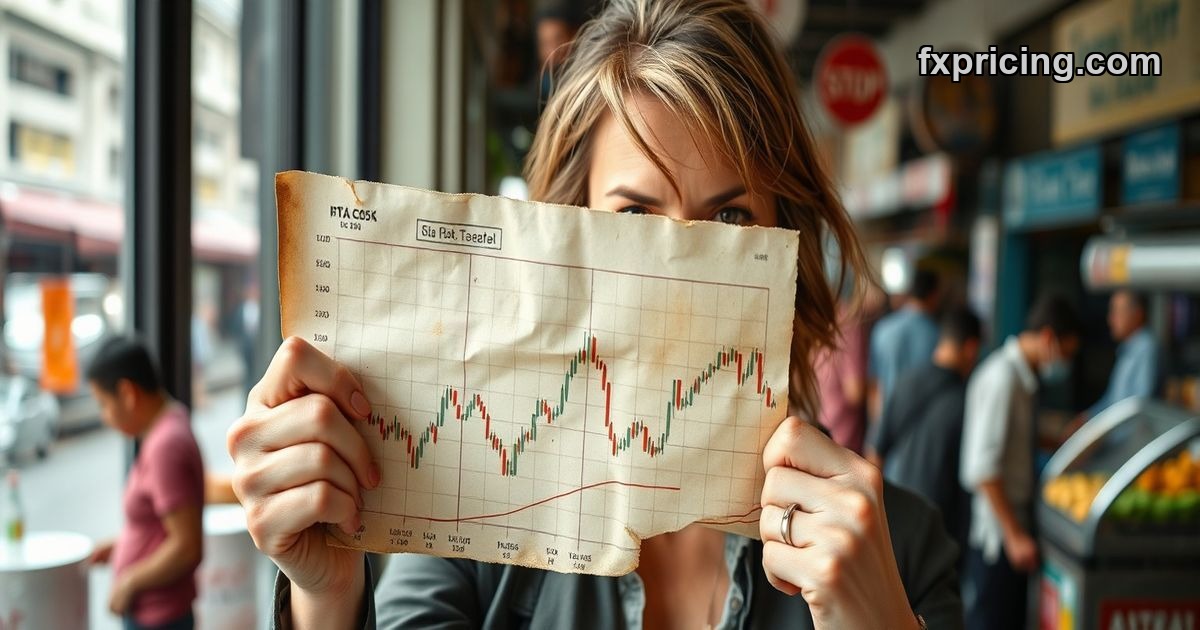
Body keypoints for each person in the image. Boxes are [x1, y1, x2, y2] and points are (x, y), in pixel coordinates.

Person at [228, 1, 963, 628]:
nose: (677, 280)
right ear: (566, 245)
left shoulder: (899, 548)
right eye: (635, 217)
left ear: (788, 249)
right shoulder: (469, 517)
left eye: (732, 218)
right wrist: (325, 598)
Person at [959, 294, 1081, 630]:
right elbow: (983, 469)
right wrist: (1014, 535)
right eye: (1066, 352)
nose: (1064, 363)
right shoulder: (1003, 379)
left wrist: (1058, 438)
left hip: (1010, 527)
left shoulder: (1021, 378)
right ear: (1047, 338)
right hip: (998, 538)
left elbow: (1014, 439)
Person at [86, 337, 204, 630]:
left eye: (103, 403)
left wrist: (129, 582)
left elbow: (187, 546)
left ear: (127, 393)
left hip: (160, 618)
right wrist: (121, 546)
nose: (104, 417)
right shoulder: (167, 428)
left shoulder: (166, 445)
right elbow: (164, 525)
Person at [867, 307, 982, 558]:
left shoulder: (906, 381)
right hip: (940, 530)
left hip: (895, 518)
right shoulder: (967, 399)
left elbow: (875, 453)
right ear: (971, 348)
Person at [867, 268, 941, 423]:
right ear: (934, 295)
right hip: (919, 421)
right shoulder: (936, 335)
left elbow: (874, 386)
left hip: (886, 417)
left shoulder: (883, 328)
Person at [1077, 290, 1160, 426]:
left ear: (1137, 314)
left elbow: (1141, 403)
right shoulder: (1127, 348)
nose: (1110, 319)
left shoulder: (1146, 347)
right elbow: (1113, 399)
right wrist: (1087, 418)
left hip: (1133, 442)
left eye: (1117, 312)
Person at [810, 298, 868, 453]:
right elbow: (855, 392)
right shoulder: (847, 319)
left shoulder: (810, 315)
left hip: (815, 432)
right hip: (842, 439)